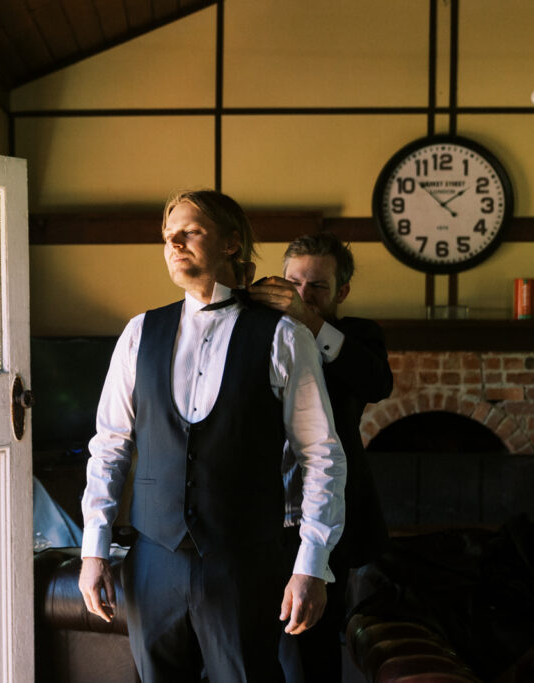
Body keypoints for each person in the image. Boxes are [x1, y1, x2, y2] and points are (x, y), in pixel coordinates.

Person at [78, 190, 347, 682]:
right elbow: (110, 445)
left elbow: (322, 457)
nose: (174, 244)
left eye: (190, 232)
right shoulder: (139, 333)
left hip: (246, 564)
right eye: (167, 237)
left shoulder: (285, 336)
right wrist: (93, 550)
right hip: (152, 563)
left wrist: (312, 564)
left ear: (230, 244)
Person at [249, 232, 393, 682]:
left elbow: (377, 385)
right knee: (256, 645)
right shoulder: (258, 332)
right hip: (262, 515)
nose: (303, 294)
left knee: (315, 650)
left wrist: (306, 319)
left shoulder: (358, 336)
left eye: (318, 287)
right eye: (294, 283)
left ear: (342, 292)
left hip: (327, 515)